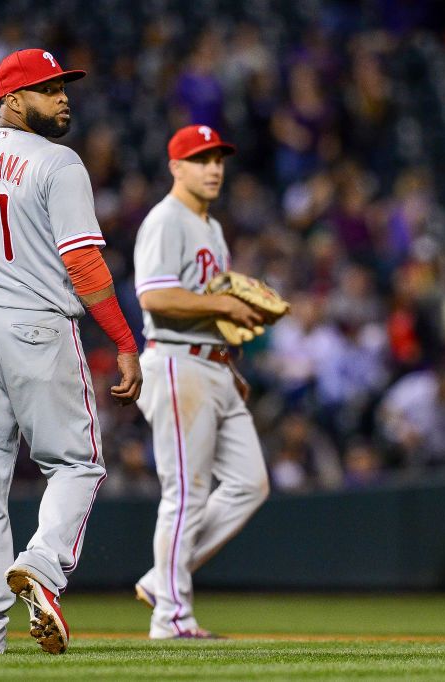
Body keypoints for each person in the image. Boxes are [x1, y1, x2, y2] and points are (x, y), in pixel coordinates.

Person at [0, 48, 142, 655]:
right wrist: (125, 342)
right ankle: (45, 569)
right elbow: (82, 262)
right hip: (35, 325)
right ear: (11, 98)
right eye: (48, 88)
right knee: (77, 464)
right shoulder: (58, 162)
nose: (62, 97)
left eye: (63, 87)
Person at [131, 125, 270, 639]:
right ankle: (172, 617)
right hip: (173, 363)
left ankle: (160, 577)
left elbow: (207, 305)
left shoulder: (210, 227)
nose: (213, 168)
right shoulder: (166, 220)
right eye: (200, 158)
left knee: (248, 484)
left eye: (218, 158)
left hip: (210, 365)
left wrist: (228, 362)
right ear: (176, 167)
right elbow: (153, 296)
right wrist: (223, 304)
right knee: (186, 492)